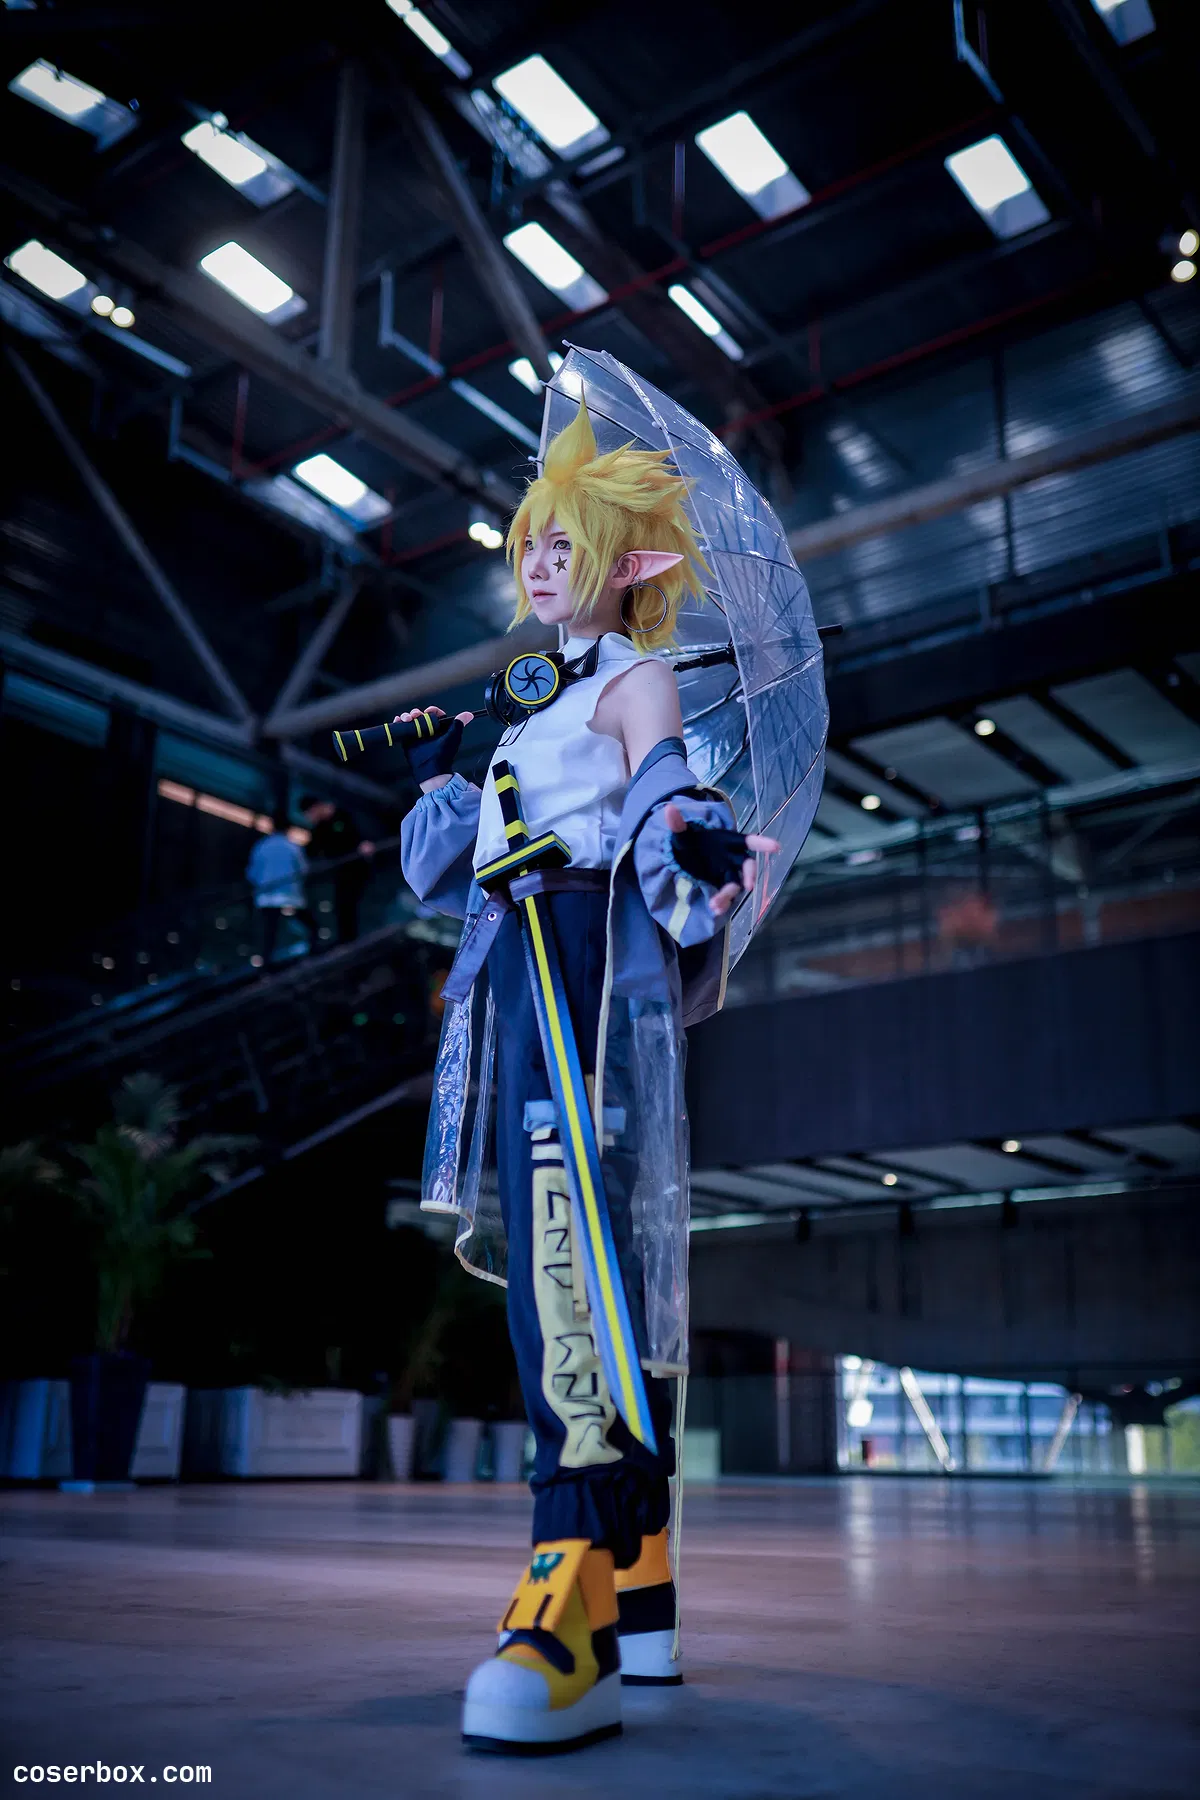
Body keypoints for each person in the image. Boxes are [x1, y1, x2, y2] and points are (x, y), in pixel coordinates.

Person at [399, 399, 778, 1756]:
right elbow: (457, 860)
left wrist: (697, 840)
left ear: (630, 561)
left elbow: (664, 795)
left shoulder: (632, 682)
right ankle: (644, 1566)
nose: (541, 559)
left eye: (568, 541)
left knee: (575, 1254)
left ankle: (579, 1575)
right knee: (569, 1248)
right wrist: (446, 789)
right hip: (515, 971)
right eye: (531, 540)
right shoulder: (530, 700)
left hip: (586, 968)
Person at [298, 796, 375, 945]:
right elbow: (311, 850)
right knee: (342, 904)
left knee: (353, 901)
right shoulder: (319, 828)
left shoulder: (344, 814)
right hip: (340, 871)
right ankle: (347, 939)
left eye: (310, 813)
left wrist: (365, 843)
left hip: (357, 867)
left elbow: (361, 833)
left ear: (316, 807)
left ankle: (356, 937)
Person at [245, 827, 314, 966]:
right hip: (290, 898)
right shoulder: (292, 846)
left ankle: (267, 966)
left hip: (266, 898)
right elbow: (304, 869)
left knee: (269, 934)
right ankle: (310, 954)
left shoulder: (261, 846)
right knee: (310, 927)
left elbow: (252, 874)